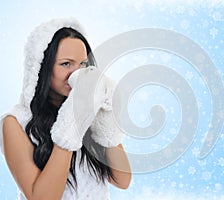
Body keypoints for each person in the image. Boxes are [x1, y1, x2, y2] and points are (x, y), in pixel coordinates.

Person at [0, 18, 131, 199]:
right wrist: (70, 129)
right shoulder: (14, 122)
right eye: (66, 64)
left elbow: (122, 180)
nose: (77, 73)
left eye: (83, 64)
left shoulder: (88, 109)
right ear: (41, 68)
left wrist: (105, 117)